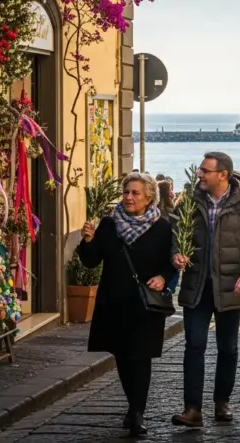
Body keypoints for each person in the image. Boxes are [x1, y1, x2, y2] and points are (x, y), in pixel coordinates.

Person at [171, 152, 240, 428]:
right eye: (200, 170)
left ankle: (221, 402)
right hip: (197, 287)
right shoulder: (189, 202)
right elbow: (176, 234)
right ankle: (192, 409)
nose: (199, 174)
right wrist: (177, 253)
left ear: (223, 175)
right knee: (194, 345)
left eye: (205, 170)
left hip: (231, 288)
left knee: (228, 348)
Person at [78, 173, 176, 437]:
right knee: (122, 356)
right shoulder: (109, 225)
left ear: (149, 197)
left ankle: (137, 413)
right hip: (114, 302)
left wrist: (163, 277)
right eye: (126, 192)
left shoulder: (163, 227)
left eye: (135, 193)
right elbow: (90, 261)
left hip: (145, 305)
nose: (129, 197)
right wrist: (88, 241)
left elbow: (172, 262)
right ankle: (133, 407)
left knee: (141, 357)